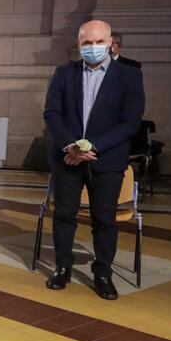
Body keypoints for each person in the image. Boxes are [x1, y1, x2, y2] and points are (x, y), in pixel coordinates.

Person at [43, 20, 145, 300]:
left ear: (111, 43)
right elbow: (52, 113)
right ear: (79, 45)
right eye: (87, 43)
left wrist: (93, 147)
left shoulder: (129, 75)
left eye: (99, 42)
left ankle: (102, 273)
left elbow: (130, 122)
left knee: (104, 220)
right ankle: (62, 268)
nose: (93, 47)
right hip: (68, 158)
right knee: (64, 216)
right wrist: (72, 147)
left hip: (107, 159)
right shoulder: (64, 73)